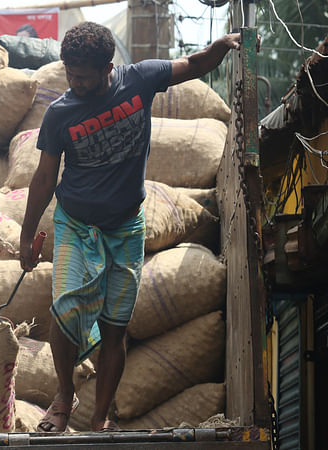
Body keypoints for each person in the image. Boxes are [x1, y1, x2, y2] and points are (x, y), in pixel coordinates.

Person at [18, 21, 240, 432]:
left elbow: (192, 64)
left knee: (115, 328)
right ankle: (65, 395)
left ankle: (100, 419)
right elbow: (44, 178)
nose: (75, 83)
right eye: (70, 74)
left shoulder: (139, 79)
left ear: (108, 68)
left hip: (126, 228)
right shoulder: (60, 113)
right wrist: (26, 236)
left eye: (83, 76)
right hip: (76, 224)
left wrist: (222, 47)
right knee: (64, 313)